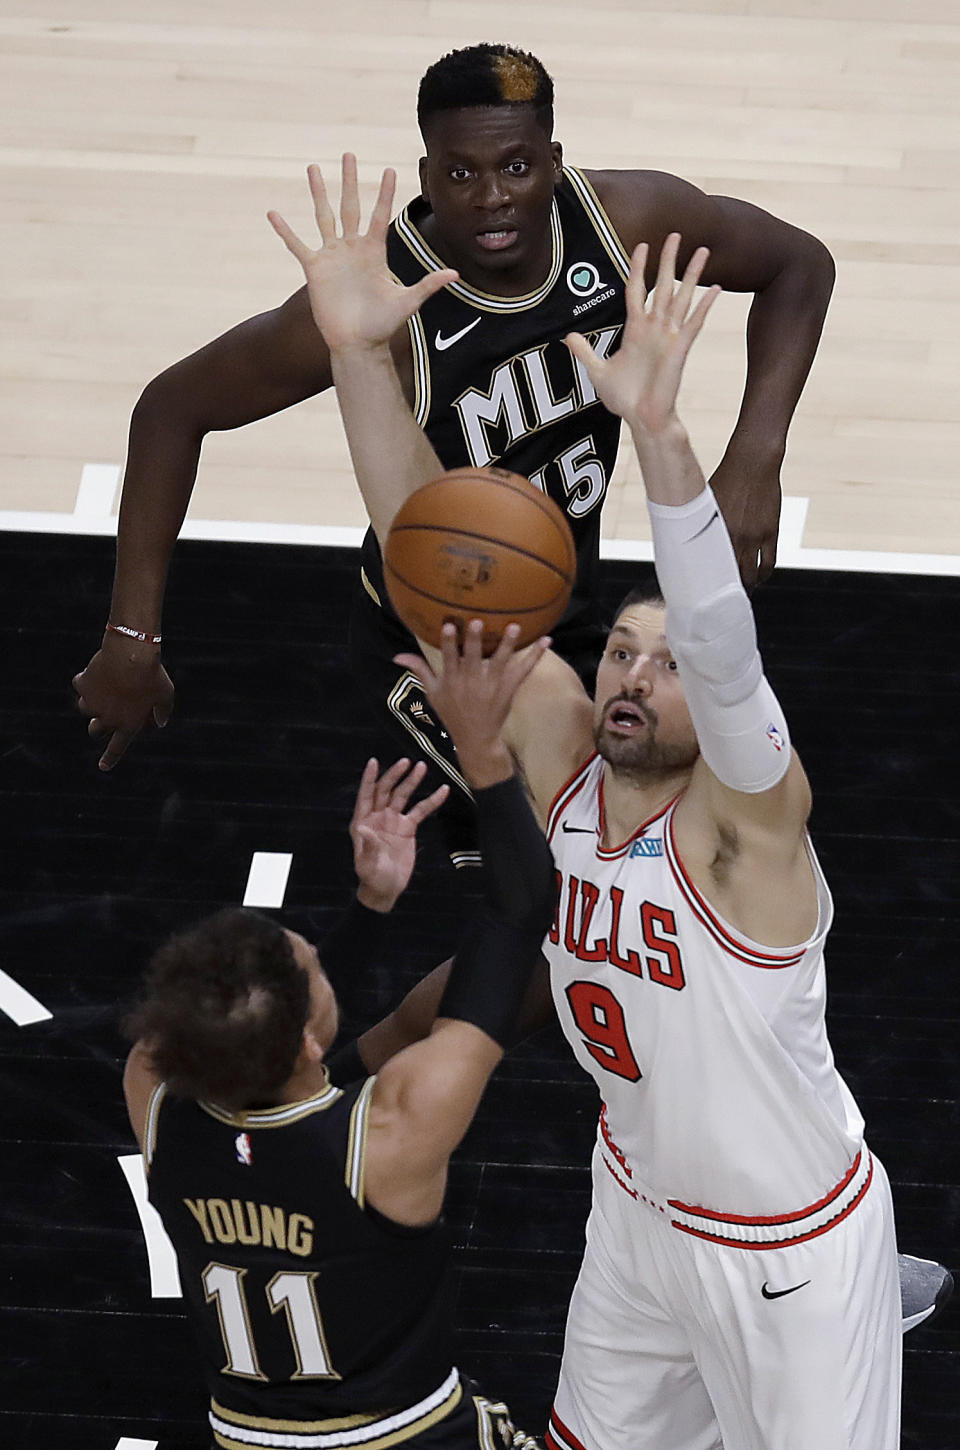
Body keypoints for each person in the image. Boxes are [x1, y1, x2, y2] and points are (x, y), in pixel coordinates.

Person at [267, 158, 931, 1449]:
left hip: (792, 1254)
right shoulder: (573, 764)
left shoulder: (750, 828)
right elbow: (441, 561)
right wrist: (358, 355)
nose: (635, 673)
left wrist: (666, 440)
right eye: (622, 649)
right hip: (633, 1214)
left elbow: (726, 649)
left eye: (663, 662)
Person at [73, 41, 837, 848]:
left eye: (516, 167)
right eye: (460, 173)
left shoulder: (625, 222)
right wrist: (132, 637)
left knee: (620, 866)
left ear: (554, 160)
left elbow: (799, 265)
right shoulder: (382, 301)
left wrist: (756, 455)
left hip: (565, 607)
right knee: (549, 880)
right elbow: (171, 409)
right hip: (434, 645)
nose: (491, 198)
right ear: (428, 175)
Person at [123, 705, 558, 1448]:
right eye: (317, 964)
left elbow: (292, 1052)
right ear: (303, 1044)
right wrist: (484, 754)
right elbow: (521, 915)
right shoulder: (391, 1135)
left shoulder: (155, 1098)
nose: (324, 960)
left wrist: (373, 903)